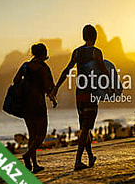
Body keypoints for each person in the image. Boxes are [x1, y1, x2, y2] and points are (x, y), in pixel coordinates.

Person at [50, 24, 110, 170]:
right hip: (91, 93)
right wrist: (112, 86)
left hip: (79, 93)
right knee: (86, 128)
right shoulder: (96, 52)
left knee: (85, 126)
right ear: (95, 37)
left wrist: (56, 88)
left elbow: (67, 70)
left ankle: (90, 157)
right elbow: (104, 71)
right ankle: (77, 160)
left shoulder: (77, 52)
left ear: (84, 37)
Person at [13, 43, 56, 173]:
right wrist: (53, 98)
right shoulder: (43, 67)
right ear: (43, 53)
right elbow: (49, 87)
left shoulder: (25, 66)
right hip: (38, 104)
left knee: (32, 135)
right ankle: (27, 155)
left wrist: (26, 85)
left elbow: (15, 80)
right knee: (41, 134)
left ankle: (35, 164)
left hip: (26, 104)